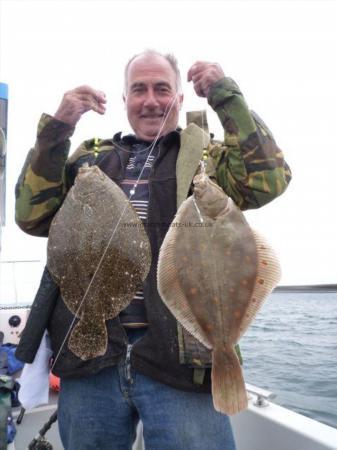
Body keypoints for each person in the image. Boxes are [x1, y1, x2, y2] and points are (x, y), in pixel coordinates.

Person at [15, 50, 291, 450]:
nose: (151, 100)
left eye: (162, 89)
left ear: (179, 99)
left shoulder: (209, 162)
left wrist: (223, 94)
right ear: (124, 99)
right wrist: (58, 128)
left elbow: (268, 180)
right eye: (138, 89)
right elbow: (32, 216)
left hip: (181, 363)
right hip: (90, 360)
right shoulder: (89, 162)